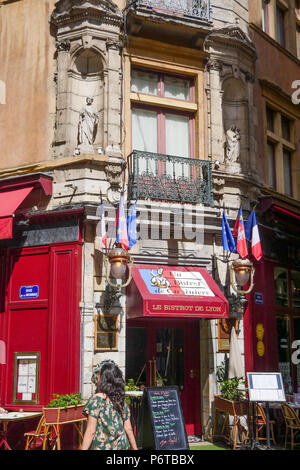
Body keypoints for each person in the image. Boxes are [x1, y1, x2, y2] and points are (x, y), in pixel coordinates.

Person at [80, 360, 138, 450]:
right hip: (121, 446)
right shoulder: (121, 400)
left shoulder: (96, 400)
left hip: (102, 446)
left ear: (103, 378)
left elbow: (91, 431)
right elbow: (128, 429)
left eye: (99, 374)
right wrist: (135, 448)